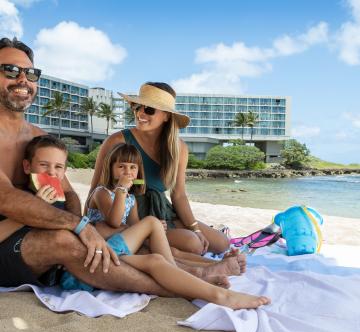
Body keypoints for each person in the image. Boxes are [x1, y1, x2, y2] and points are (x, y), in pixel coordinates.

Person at [0, 38, 270, 309]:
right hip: (14, 240)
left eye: (30, 73)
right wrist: (79, 226)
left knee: (140, 245)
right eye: (10, 70)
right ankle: (188, 286)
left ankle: (195, 274)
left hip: (58, 227)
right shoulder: (117, 141)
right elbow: (7, 199)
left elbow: (69, 193)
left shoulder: (40, 137)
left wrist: (77, 224)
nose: (23, 79)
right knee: (69, 240)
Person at [12, 135, 270, 309]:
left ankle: (206, 270)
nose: (52, 173)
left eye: (58, 168)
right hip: (80, 266)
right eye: (44, 165)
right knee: (156, 252)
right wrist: (38, 206)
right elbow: (113, 221)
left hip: (106, 250)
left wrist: (150, 228)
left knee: (160, 249)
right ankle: (212, 289)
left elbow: (127, 225)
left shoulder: (120, 199)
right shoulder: (101, 192)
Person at [91, 82, 230, 256]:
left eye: (149, 109)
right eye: (137, 107)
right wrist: (86, 230)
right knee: (193, 246)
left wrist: (196, 228)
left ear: (166, 116)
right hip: (129, 213)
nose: (140, 113)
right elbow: (96, 188)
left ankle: (182, 240)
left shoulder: (179, 148)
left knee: (222, 243)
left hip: (162, 210)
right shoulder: (117, 141)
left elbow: (178, 195)